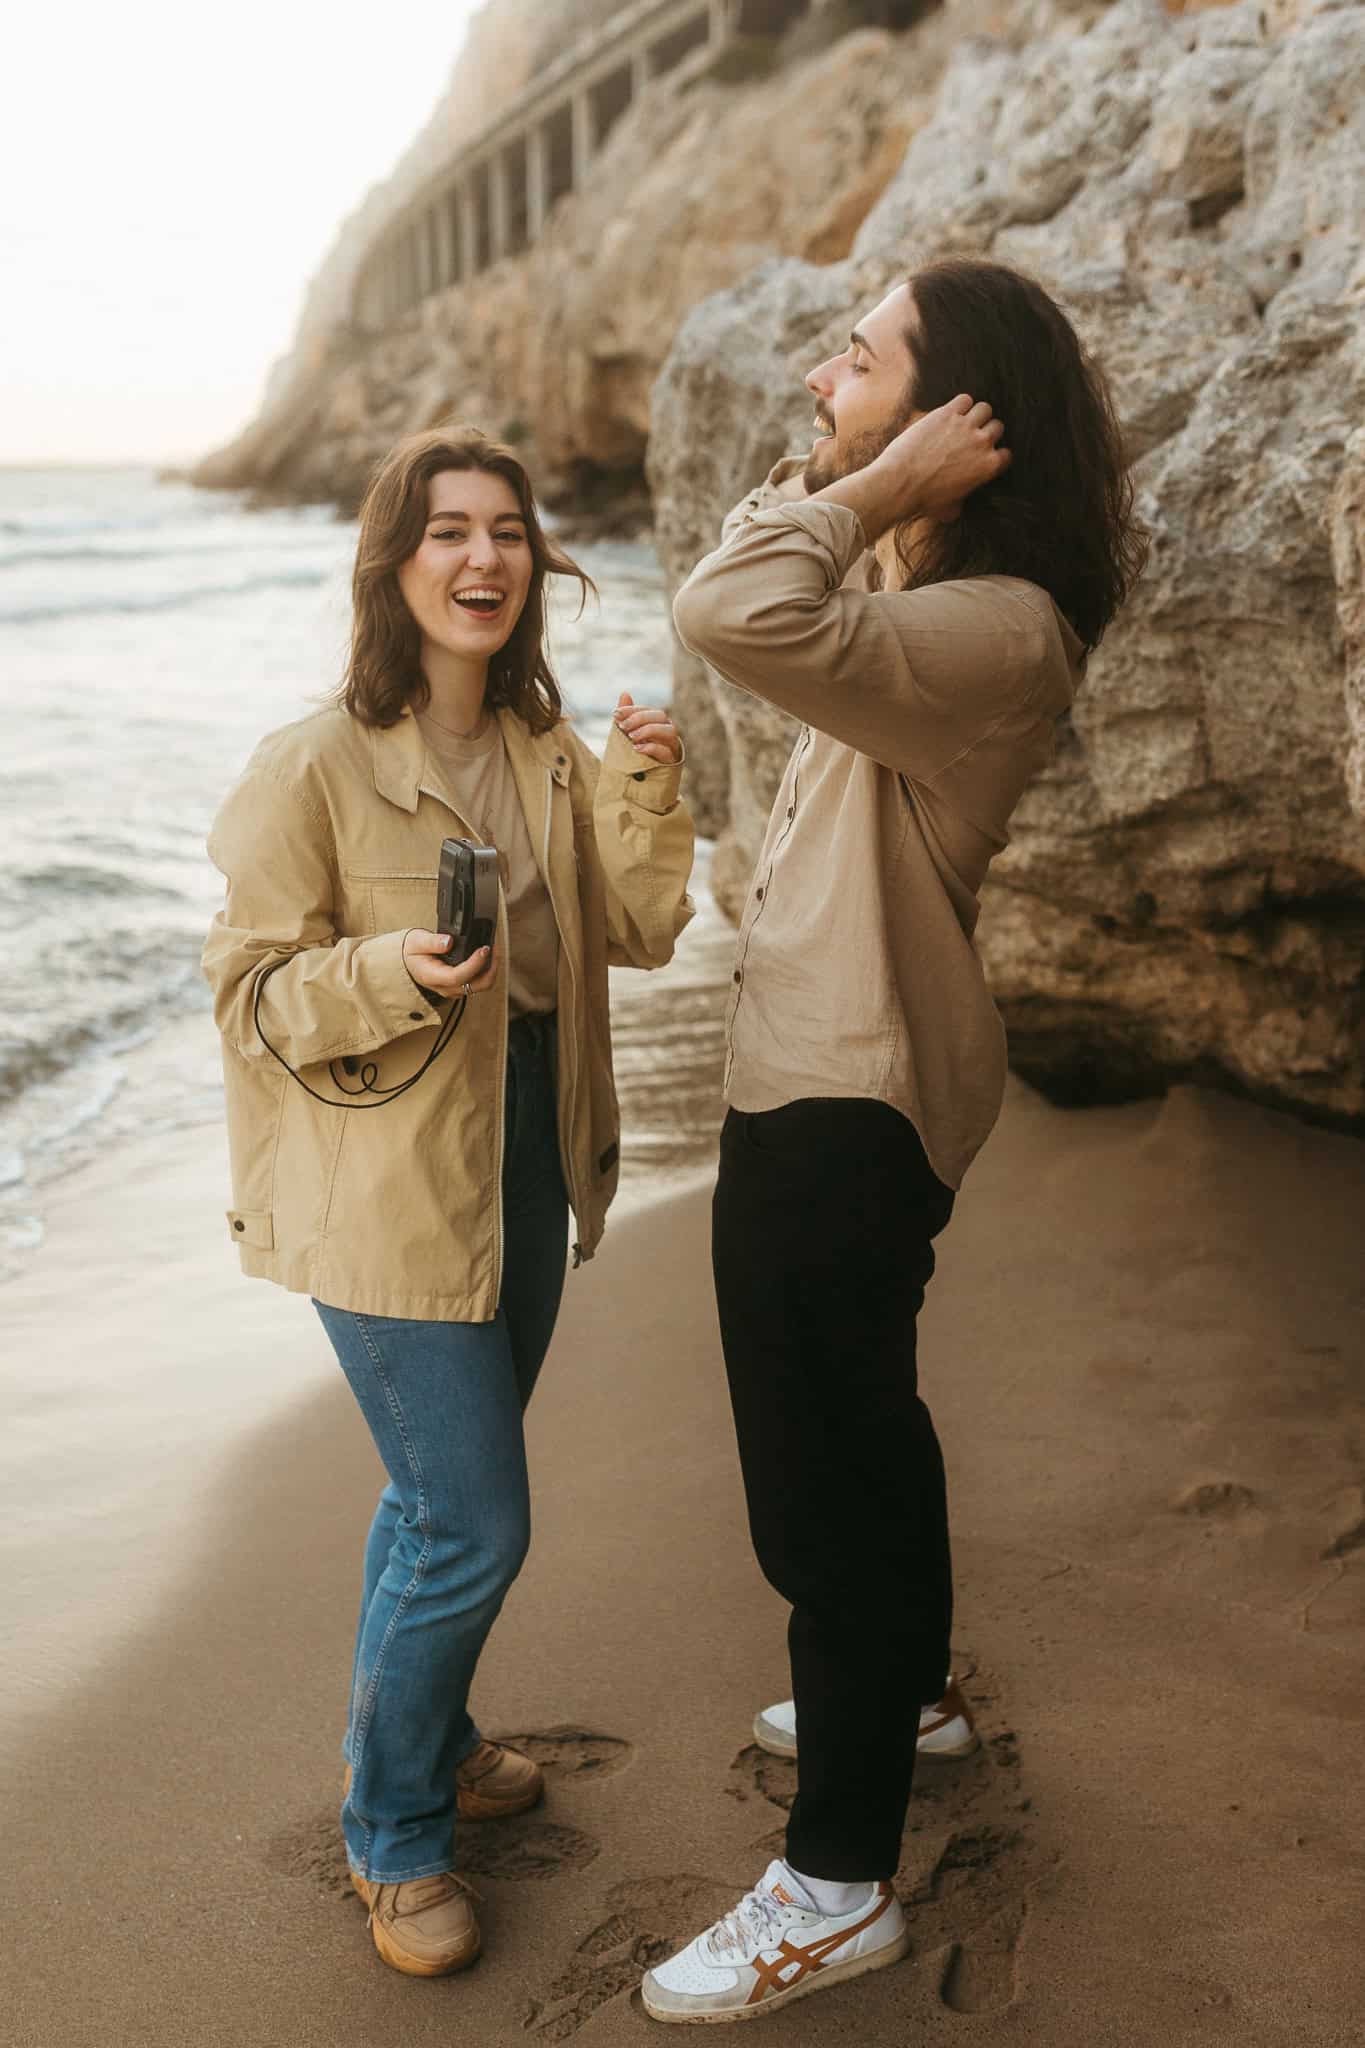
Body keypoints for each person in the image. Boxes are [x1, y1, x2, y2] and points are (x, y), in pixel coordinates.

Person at [642, 258, 1145, 2024]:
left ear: (960, 423)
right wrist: (861, 472)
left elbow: (725, 611)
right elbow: (752, 563)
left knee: (820, 1494)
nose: (814, 368)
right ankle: (911, 1700)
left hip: (850, 1094)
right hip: (825, 1073)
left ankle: (834, 1882)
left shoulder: (989, 624)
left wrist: (869, 485)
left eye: (855, 356)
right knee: (865, 1434)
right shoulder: (927, 589)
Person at [202, 425, 693, 1979]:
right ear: (393, 563)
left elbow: (639, 930)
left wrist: (643, 790)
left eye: (506, 532)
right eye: (445, 533)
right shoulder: (312, 764)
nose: (481, 559)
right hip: (387, 1186)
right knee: (475, 1522)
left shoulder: (548, 750)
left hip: (532, 1155)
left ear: (535, 563)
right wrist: (388, 974)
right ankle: (394, 1835)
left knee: (432, 1510)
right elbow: (248, 995)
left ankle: (444, 1730)